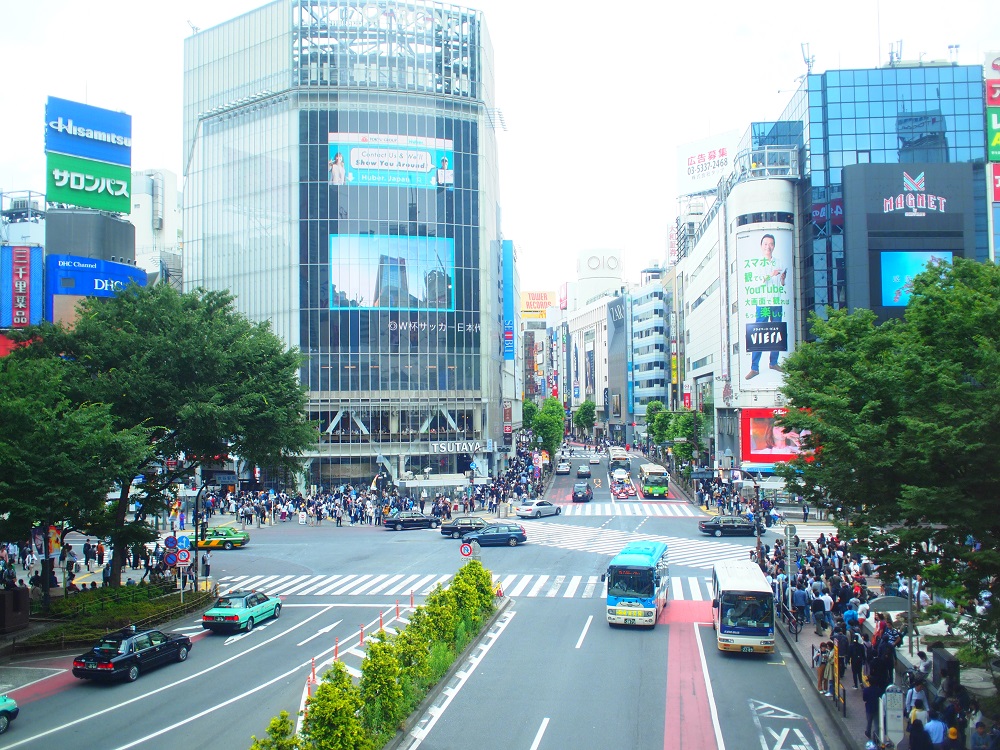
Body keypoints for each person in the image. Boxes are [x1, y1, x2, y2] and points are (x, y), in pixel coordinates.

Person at [745, 233, 789, 379]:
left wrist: (782, 279)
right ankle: (754, 367)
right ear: (761, 246)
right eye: (765, 244)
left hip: (776, 302)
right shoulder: (757, 264)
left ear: (774, 246)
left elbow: (782, 284)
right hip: (763, 302)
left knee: (777, 331)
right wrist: (771, 274)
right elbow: (757, 282)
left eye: (771, 244)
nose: (768, 247)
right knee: (758, 333)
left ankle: (773, 362)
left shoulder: (780, 262)